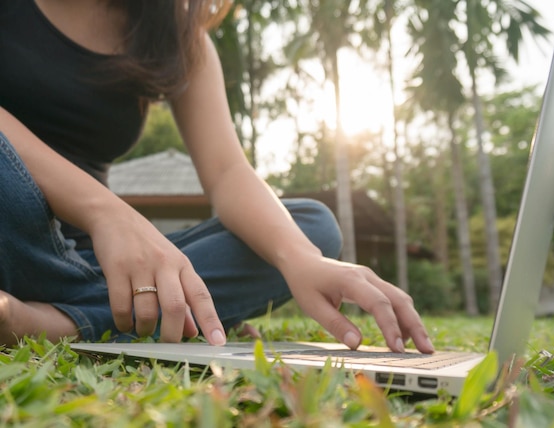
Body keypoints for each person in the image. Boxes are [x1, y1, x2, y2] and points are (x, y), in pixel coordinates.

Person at [0, 0, 434, 355]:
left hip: (94, 268)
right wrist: (107, 212)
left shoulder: (176, 35)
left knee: (308, 229)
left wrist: (303, 259)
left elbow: (227, 172)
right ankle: (97, 318)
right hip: (13, 231)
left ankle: (47, 323)